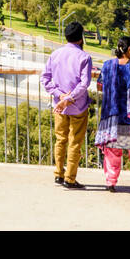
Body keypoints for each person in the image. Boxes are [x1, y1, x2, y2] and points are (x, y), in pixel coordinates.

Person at [41, 20, 93, 189]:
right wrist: (69, 98)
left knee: (60, 139)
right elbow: (84, 84)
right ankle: (70, 178)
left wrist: (60, 96)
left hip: (59, 106)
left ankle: (58, 174)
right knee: (75, 142)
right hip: (78, 106)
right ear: (81, 38)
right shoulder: (84, 57)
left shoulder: (55, 54)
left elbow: (45, 79)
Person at [95, 36, 130, 193]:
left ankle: (110, 183)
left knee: (112, 153)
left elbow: (100, 86)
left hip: (112, 117)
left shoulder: (107, 66)